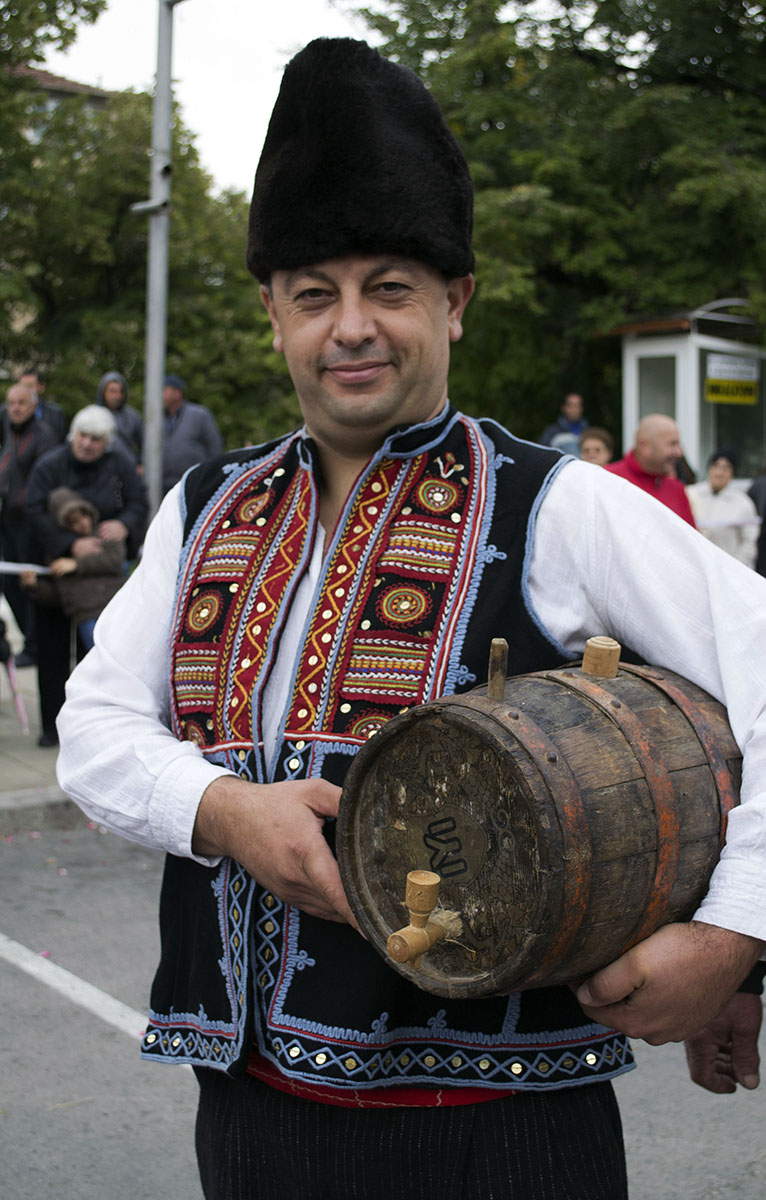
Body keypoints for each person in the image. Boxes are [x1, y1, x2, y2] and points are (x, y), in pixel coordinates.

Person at [56, 39, 766, 1200]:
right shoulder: (204, 506)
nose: (351, 327)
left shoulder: (558, 502)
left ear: (455, 301)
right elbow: (92, 727)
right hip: (249, 1125)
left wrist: (735, 934)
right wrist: (224, 809)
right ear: (272, 313)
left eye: (389, 288)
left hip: (502, 1134)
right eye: (313, 294)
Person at [26, 404, 147, 746]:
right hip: (54, 571)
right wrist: (70, 544)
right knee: (51, 653)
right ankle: (52, 727)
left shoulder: (118, 464)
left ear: (106, 443)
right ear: (73, 435)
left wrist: (124, 524)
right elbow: (33, 510)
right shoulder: (50, 464)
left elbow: (138, 502)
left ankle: (89, 729)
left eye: (96, 439)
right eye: (83, 436)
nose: (87, 444)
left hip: (98, 582)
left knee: (94, 658)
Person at [21, 488, 126, 652]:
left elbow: (114, 560)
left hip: (115, 605)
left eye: (83, 516)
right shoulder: (59, 552)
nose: (82, 523)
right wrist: (34, 585)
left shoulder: (104, 532)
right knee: (101, 654)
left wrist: (76, 564)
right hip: (86, 613)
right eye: (73, 522)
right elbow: (60, 594)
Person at [0, 382, 59, 666]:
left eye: (21, 402)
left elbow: (43, 479)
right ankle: (28, 638)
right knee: (8, 581)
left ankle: (35, 645)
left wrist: (24, 502)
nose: (15, 408)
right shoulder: (9, 432)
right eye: (11, 402)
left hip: (29, 520)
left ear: (34, 405)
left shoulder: (43, 435)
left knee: (29, 582)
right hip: (7, 518)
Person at [605, 413, 696, 525]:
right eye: (672, 444)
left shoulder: (677, 489)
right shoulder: (608, 480)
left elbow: (689, 535)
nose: (679, 452)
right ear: (644, 446)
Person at [686, 448, 759, 567]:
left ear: (732, 473)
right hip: (695, 565)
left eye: (725, 468)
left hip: (727, 569)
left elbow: (749, 542)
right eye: (715, 466)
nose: (719, 473)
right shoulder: (691, 494)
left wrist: (734, 567)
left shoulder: (743, 503)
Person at [161, 373, 224, 493]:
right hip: (163, 484)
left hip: (194, 482)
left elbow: (215, 446)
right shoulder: (156, 419)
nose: (161, 395)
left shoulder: (199, 414)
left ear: (177, 393)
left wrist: (212, 475)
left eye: (164, 390)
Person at [96, 371, 143, 466]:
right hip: (99, 468)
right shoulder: (93, 415)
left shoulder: (133, 416)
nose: (117, 396)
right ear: (103, 392)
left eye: (120, 391)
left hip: (127, 468)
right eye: (112, 391)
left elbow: (145, 443)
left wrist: (141, 464)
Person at [15, 367, 69, 443]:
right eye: (22, 386)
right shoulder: (7, 412)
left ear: (42, 387)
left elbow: (61, 442)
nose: (25, 390)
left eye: (30, 386)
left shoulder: (55, 413)